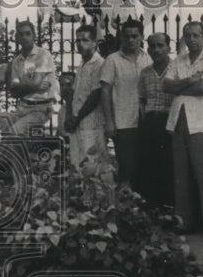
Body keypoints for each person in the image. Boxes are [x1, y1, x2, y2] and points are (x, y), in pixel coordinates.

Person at [163, 21, 203, 239]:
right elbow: (165, 85)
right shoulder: (177, 60)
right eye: (188, 35)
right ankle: (183, 221)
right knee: (181, 174)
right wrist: (190, 80)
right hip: (178, 121)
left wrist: (181, 86)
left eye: (196, 35)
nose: (192, 39)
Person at [99, 18, 152, 191]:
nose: (130, 40)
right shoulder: (112, 60)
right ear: (121, 37)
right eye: (127, 36)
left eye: (134, 36)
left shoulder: (148, 58)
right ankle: (125, 210)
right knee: (126, 169)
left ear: (142, 37)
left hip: (145, 122)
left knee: (145, 169)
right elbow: (105, 91)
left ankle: (141, 212)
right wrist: (109, 122)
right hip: (123, 123)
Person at [137, 32, 174, 206]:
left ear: (169, 47)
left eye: (160, 45)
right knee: (149, 166)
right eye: (152, 46)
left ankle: (169, 208)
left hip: (170, 122)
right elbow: (142, 99)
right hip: (151, 122)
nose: (156, 50)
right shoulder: (145, 73)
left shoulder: (176, 69)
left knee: (169, 166)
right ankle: (152, 208)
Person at [63, 25, 107, 168]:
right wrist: (71, 118)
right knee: (77, 166)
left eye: (85, 40)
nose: (80, 44)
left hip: (92, 125)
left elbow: (95, 95)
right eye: (78, 40)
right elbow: (74, 95)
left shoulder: (99, 64)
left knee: (92, 168)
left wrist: (77, 118)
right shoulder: (82, 64)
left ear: (95, 42)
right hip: (78, 125)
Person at [5, 20, 57, 136]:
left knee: (13, 132)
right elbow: (14, 92)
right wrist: (35, 86)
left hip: (41, 108)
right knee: (3, 131)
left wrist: (22, 85)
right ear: (17, 38)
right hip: (22, 107)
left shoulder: (43, 55)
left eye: (28, 33)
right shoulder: (17, 61)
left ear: (34, 35)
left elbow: (32, 83)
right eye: (21, 34)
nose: (24, 37)